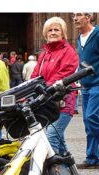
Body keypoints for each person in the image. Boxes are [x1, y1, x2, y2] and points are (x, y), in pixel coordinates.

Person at [31, 16, 78, 156]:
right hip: (47, 103)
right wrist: (30, 90)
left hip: (63, 101)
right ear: (45, 34)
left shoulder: (68, 51)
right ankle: (68, 172)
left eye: (56, 29)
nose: (53, 32)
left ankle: (53, 174)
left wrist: (45, 87)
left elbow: (65, 74)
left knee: (51, 138)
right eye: (50, 30)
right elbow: (35, 76)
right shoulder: (44, 54)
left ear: (63, 33)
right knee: (59, 139)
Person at [73, 12, 99, 169]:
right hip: (85, 85)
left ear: (89, 17)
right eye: (73, 15)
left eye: (78, 14)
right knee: (87, 122)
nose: (75, 18)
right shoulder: (79, 38)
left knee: (92, 117)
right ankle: (92, 159)